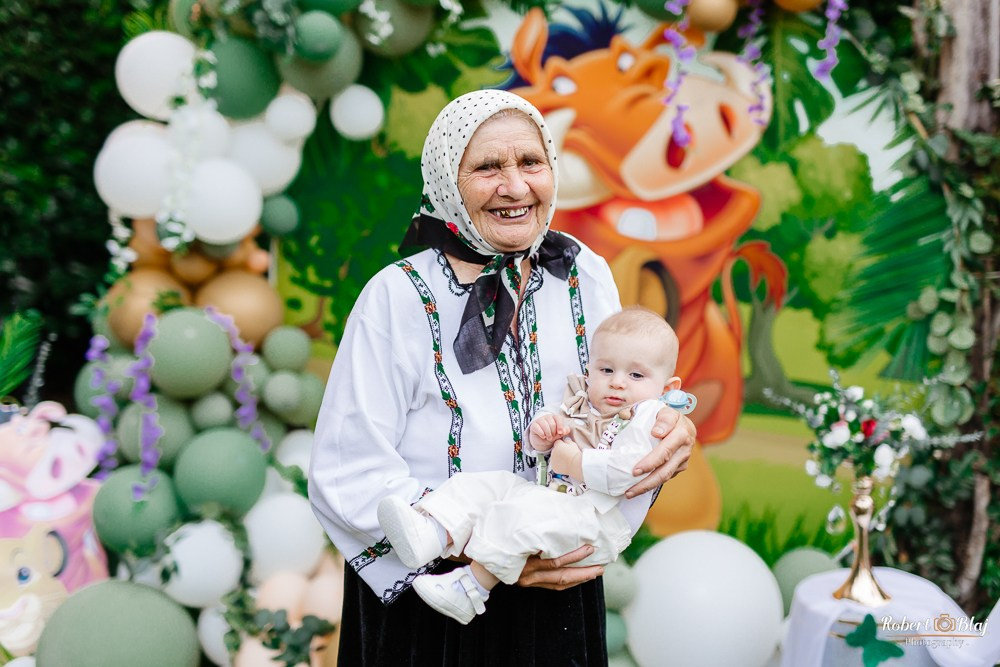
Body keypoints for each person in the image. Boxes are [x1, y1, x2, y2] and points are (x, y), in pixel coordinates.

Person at [307, 89, 696, 665]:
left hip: (560, 582)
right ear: (446, 180)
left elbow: (626, 404)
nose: (515, 187)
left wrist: (668, 433)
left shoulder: (583, 273)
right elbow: (346, 471)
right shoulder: (396, 297)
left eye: (531, 162)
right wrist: (480, 548)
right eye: (488, 167)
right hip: (432, 596)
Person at [377, 307, 696, 625]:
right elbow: (552, 425)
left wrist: (575, 462)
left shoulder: (651, 420)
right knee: (491, 485)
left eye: (636, 375)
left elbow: (630, 472)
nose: (617, 383)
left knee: (520, 514)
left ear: (668, 389)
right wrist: (543, 433)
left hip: (599, 522)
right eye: (606, 370)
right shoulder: (584, 401)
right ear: (590, 369)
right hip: (557, 499)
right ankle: (432, 533)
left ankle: (470, 589)